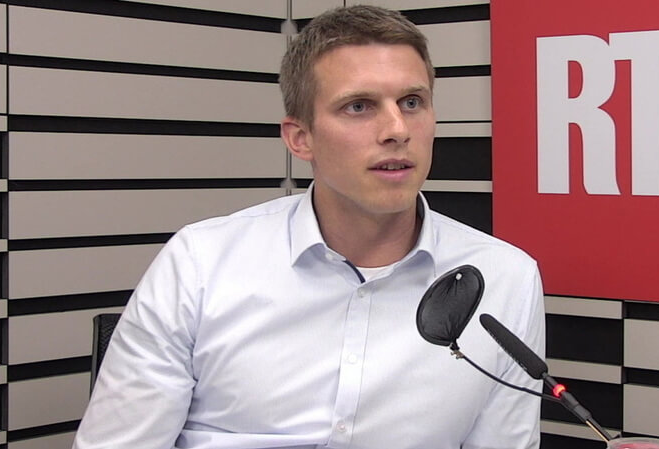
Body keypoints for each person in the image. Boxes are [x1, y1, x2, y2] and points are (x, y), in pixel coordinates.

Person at [73, 5, 544, 449]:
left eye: (412, 102)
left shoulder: (505, 277)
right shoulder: (200, 262)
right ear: (300, 139)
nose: (397, 129)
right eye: (359, 106)